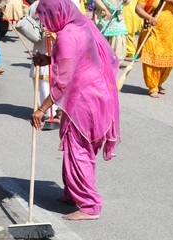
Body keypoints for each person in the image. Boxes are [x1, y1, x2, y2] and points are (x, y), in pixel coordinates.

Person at [31, 0, 120, 220]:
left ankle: (89, 205)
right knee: (80, 148)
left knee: (78, 149)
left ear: (57, 13)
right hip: (98, 95)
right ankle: (73, 192)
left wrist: (41, 110)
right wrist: (49, 59)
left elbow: (63, 81)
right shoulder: (81, 24)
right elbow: (80, 58)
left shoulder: (65, 36)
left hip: (83, 100)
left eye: (45, 18)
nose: (44, 24)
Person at [135, 0, 173, 98]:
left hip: (169, 32)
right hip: (152, 30)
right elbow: (138, 9)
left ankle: (158, 82)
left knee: (168, 61)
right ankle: (152, 87)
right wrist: (149, 17)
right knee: (151, 60)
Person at [28, 0, 58, 120]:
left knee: (55, 80)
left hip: (57, 47)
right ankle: (45, 110)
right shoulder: (35, 5)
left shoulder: (62, 3)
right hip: (41, 45)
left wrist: (54, 32)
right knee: (41, 79)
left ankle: (56, 110)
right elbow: (30, 23)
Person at [94, 0, 128, 69]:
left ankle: (118, 60)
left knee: (119, 37)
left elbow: (127, 2)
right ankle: (104, 59)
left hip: (117, 16)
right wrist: (105, 9)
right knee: (104, 38)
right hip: (105, 14)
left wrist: (126, 1)